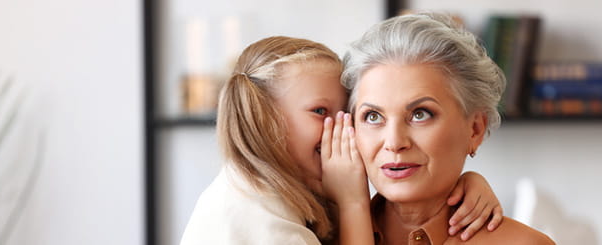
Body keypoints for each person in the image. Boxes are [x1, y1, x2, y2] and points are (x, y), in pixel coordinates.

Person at [180, 36, 504, 244]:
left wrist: (466, 182)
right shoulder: (264, 224)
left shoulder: (297, 198)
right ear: (264, 119)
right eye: (320, 111)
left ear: (475, 129)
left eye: (352, 114)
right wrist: (352, 204)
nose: (343, 127)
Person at [323, 13, 556, 244]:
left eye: (420, 114)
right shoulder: (312, 237)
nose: (394, 142)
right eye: (373, 116)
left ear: (474, 129)